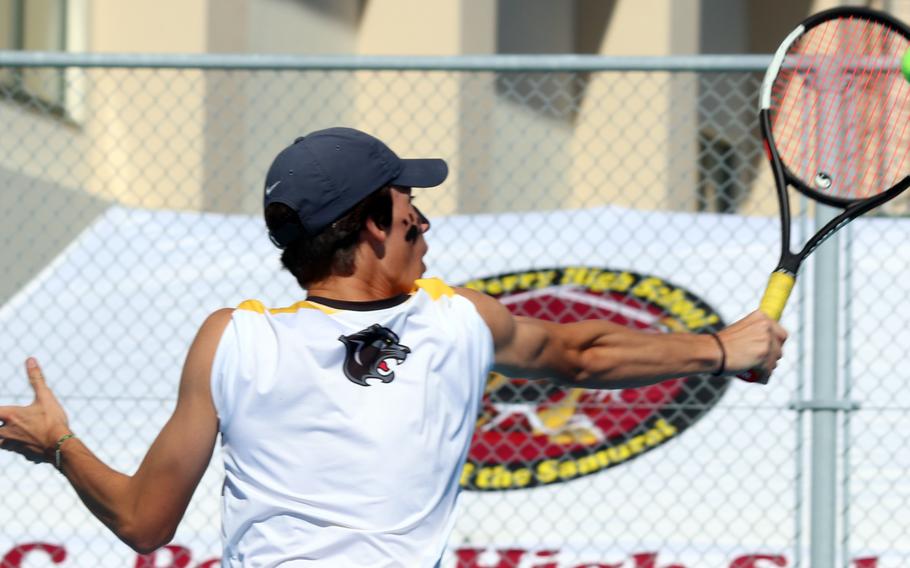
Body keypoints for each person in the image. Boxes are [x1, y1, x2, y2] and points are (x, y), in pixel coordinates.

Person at [0, 127, 787, 567]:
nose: (424, 220)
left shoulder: (229, 339)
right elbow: (583, 355)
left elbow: (144, 523)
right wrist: (722, 347)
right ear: (373, 222)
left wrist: (59, 444)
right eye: (411, 202)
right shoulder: (454, 323)